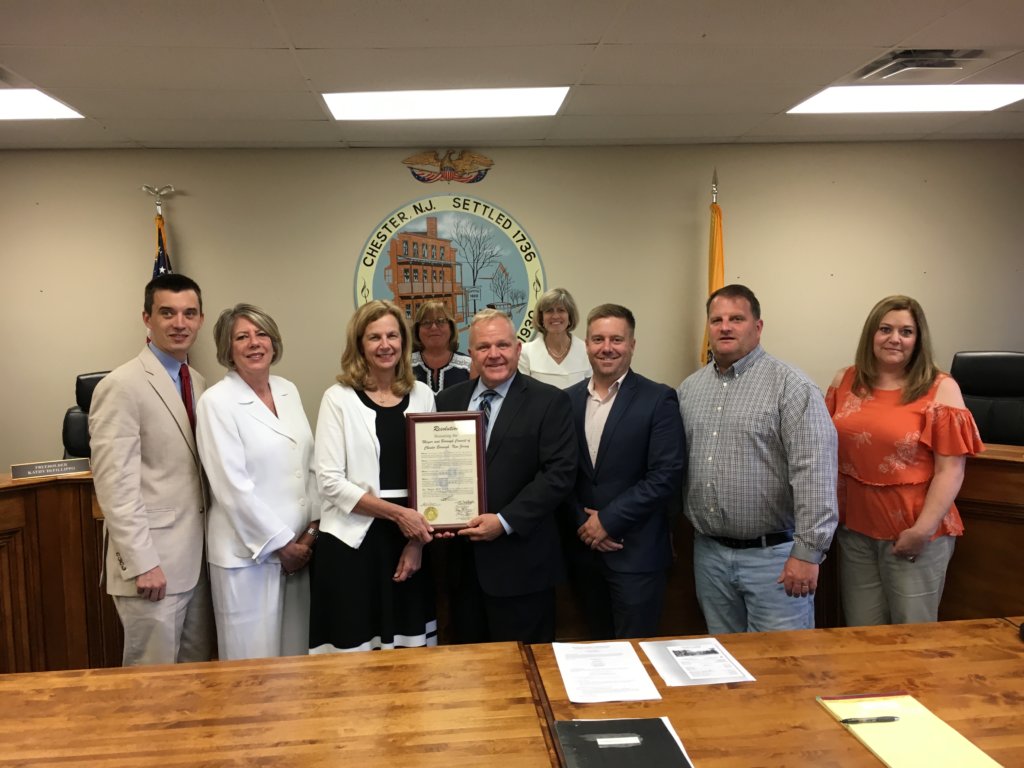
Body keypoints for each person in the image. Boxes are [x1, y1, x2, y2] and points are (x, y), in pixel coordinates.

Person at [677, 284, 838, 634]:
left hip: (775, 559)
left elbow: (816, 473)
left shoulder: (791, 387)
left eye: (736, 318)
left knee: (783, 668)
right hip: (710, 555)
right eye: (717, 319)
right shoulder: (689, 390)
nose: (725, 327)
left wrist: (808, 553)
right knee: (723, 664)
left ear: (758, 327)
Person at [827, 295, 983, 626]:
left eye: (906, 331)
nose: (895, 338)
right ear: (872, 334)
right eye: (885, 329)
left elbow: (950, 470)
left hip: (914, 532)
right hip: (855, 530)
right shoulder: (845, 381)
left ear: (918, 340)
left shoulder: (941, 388)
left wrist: (922, 531)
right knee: (861, 633)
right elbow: (825, 448)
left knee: (913, 640)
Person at [89, 273, 214, 665]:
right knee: (151, 689)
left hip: (196, 562)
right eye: (167, 313)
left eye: (189, 313)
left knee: (195, 681)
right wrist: (143, 563)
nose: (180, 323)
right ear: (146, 317)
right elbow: (115, 486)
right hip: (153, 568)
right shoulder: (121, 385)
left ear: (200, 319)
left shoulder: (197, 380)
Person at [436, 309, 577, 643]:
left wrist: (504, 520)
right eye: (484, 347)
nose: (494, 354)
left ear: (518, 349)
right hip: (461, 567)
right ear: (470, 353)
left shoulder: (549, 401)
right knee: (468, 672)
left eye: (502, 344)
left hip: (522, 567)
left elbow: (558, 475)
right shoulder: (447, 401)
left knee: (526, 673)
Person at [312, 300, 437, 652]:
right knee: (354, 655)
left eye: (392, 336)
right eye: (374, 337)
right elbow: (330, 481)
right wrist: (399, 515)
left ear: (403, 342)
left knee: (409, 658)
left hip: (408, 543)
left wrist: (416, 542)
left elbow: (432, 476)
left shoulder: (423, 395)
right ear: (360, 345)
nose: (385, 345)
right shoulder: (337, 399)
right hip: (352, 543)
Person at [196, 304, 320, 659]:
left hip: (300, 553)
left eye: (261, 334)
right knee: (253, 667)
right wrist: (283, 546)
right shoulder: (216, 402)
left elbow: (309, 463)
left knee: (295, 658)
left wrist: (309, 534)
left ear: (273, 342)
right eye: (242, 337)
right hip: (249, 557)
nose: (254, 343)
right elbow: (232, 487)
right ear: (227, 348)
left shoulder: (287, 390)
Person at [565, 304, 686, 639]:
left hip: (636, 554)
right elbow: (560, 475)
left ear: (632, 344)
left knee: (637, 655)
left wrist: (608, 521)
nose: (607, 347)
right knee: (596, 652)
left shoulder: (658, 399)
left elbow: (665, 475)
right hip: (584, 555)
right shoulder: (566, 401)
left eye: (617, 339)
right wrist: (583, 523)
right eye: (598, 339)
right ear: (586, 344)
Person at [518, 287, 591, 389]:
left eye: (561, 310)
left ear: (570, 316)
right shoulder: (525, 353)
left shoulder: (587, 351)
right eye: (549, 311)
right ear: (541, 317)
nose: (555, 316)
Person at [410, 300, 472, 393]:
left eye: (440, 321)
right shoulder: (404, 365)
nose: (434, 327)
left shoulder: (469, 366)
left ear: (451, 327)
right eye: (426, 322)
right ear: (417, 330)